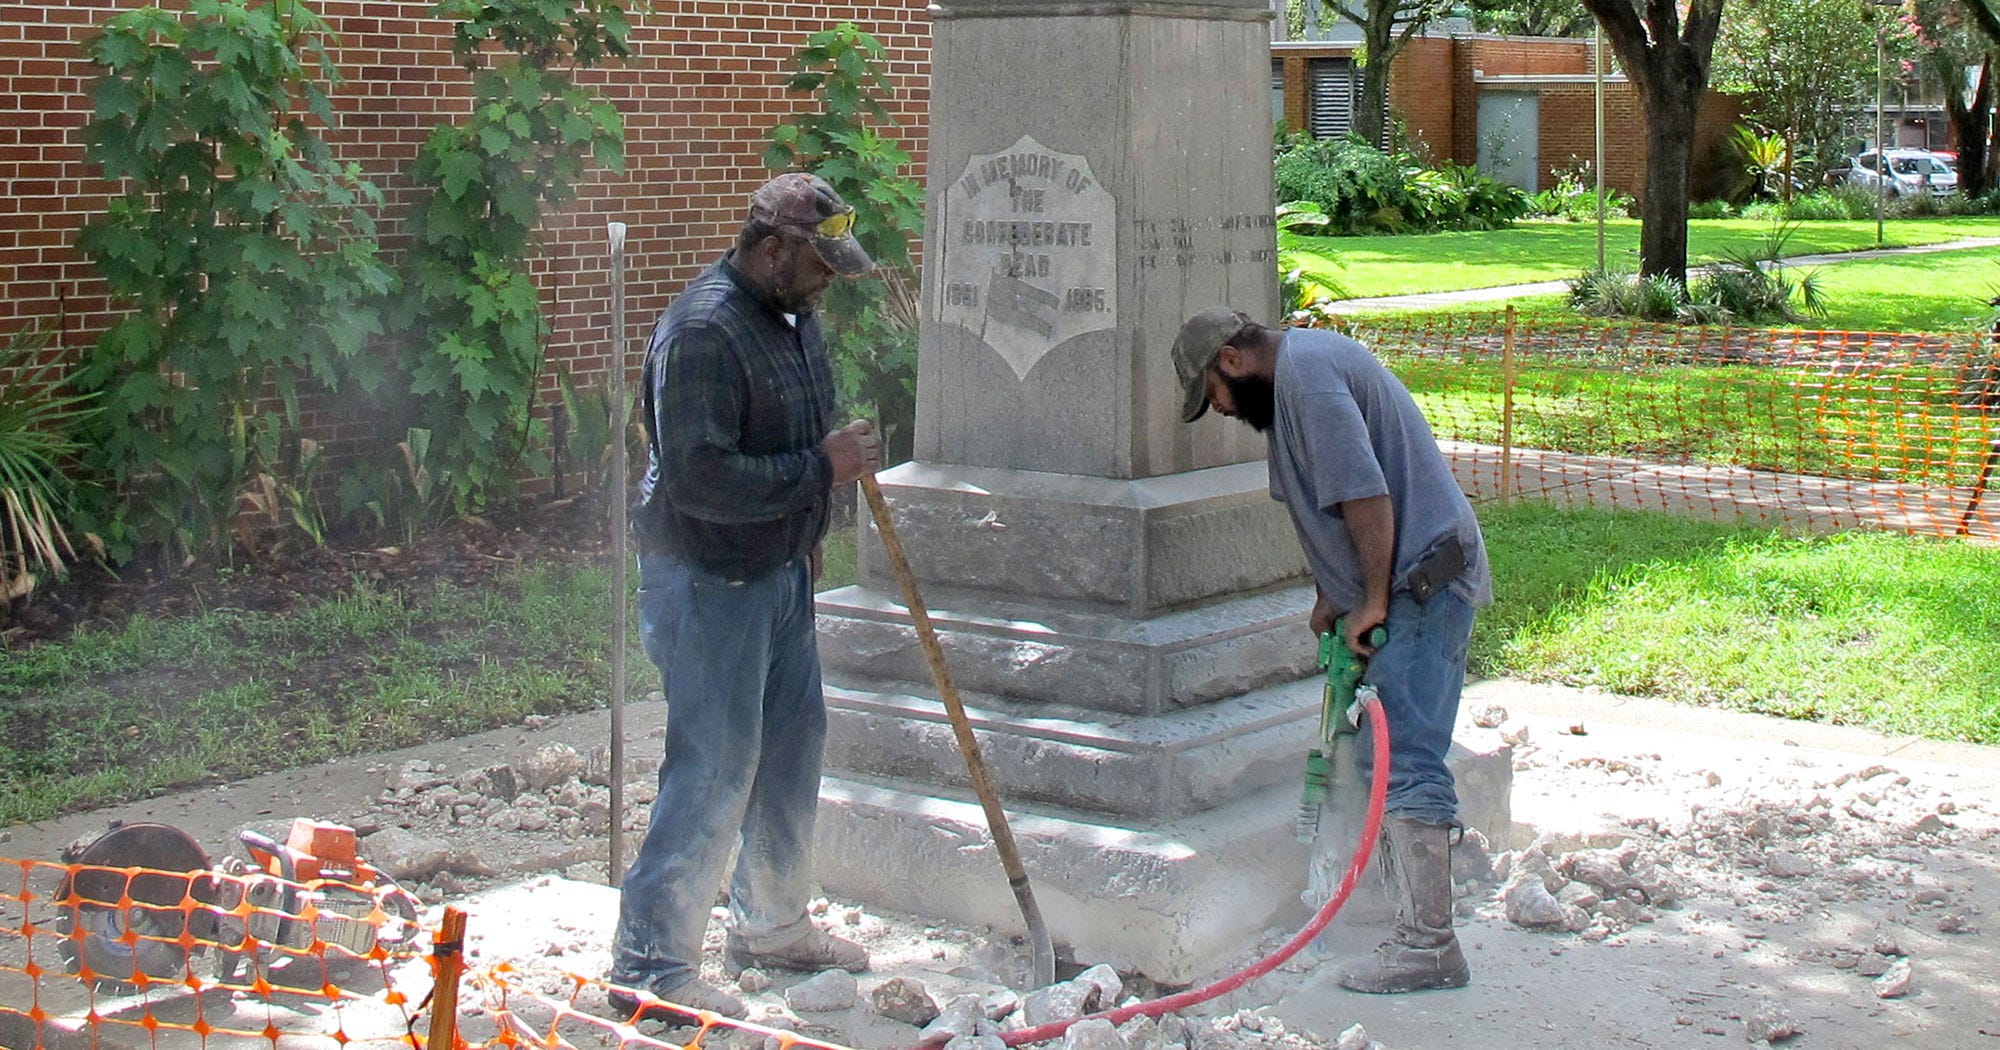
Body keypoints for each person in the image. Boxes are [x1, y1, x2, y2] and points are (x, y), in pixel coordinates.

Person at [608, 172, 884, 1023]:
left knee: (793, 748)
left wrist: (816, 500)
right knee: (715, 766)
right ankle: (649, 965)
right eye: (820, 264)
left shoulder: (793, 318)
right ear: (772, 251)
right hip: (706, 579)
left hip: (778, 570)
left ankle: (770, 923)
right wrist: (819, 470)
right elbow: (698, 478)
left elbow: (803, 431)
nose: (831, 280)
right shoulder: (704, 333)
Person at [1170, 307, 1492, 994]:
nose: (1220, 411)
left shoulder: (1309, 379)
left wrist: (1371, 599)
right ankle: (1403, 916)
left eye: (1213, 395)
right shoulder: (1292, 387)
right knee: (1384, 755)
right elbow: (1324, 504)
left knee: (1404, 753)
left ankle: (1430, 944)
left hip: (1423, 582)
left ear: (1231, 360)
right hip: (1398, 583)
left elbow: (1366, 497)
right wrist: (1332, 594)